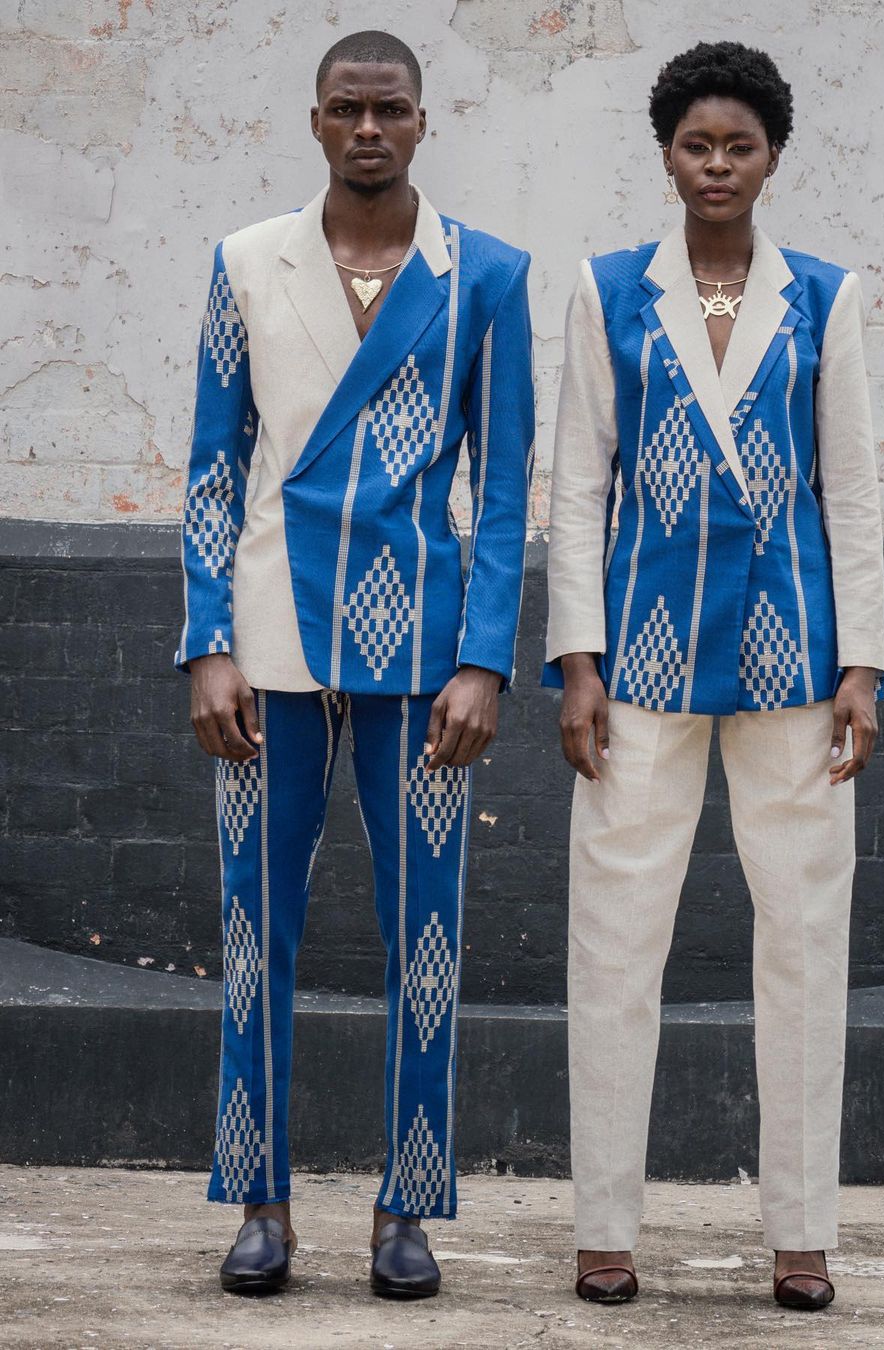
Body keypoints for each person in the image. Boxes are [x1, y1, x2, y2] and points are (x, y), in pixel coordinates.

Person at [176, 30, 534, 1299]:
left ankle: (405, 1207)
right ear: (316, 121)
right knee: (254, 933)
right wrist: (206, 641)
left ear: (424, 122)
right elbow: (214, 467)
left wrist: (485, 660)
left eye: (390, 109)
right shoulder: (245, 263)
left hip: (422, 656)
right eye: (347, 108)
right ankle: (260, 1202)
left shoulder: (485, 274)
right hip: (269, 639)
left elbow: (503, 490)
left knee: (424, 940)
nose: (368, 128)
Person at [543, 41, 884, 1310]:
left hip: (795, 657)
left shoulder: (824, 297)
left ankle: (802, 1235)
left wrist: (864, 667)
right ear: (667, 155)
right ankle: (604, 1227)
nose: (718, 165)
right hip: (639, 657)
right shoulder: (609, 291)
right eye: (697, 145)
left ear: (772, 156)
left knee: (804, 939)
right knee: (615, 939)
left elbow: (852, 490)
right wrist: (575, 663)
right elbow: (578, 487)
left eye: (740, 145)